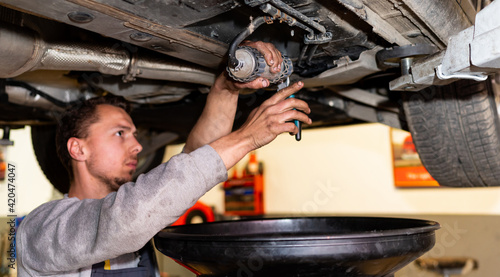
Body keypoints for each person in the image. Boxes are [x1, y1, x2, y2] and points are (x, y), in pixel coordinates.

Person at [16, 41, 312, 276]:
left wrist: (227, 86)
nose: (138, 147)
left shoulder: (136, 212)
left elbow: (193, 164)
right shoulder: (40, 229)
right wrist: (246, 137)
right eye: (120, 133)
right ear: (78, 149)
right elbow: (123, 221)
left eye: (134, 134)